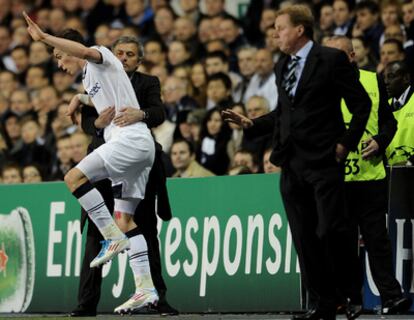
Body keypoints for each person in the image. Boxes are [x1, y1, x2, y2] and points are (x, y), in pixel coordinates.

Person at [223, 5, 371, 320]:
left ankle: (351, 294)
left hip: (323, 160)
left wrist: (346, 143)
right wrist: (252, 123)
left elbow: (362, 104)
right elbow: (285, 114)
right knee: (304, 236)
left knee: (331, 229)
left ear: (300, 29)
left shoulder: (330, 60)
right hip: (291, 163)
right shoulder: (282, 66)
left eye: (280, 27)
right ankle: (323, 303)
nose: (275, 33)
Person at [23, 13, 158, 313]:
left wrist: (44, 37)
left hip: (128, 141)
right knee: (125, 220)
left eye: (60, 56)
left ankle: (111, 239)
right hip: (138, 149)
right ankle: (145, 289)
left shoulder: (102, 56)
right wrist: (78, 99)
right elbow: (101, 96)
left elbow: (85, 53)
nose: (59, 63)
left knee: (73, 178)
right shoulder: (90, 78)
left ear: (70, 48)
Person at [70, 36, 177, 317]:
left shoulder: (147, 82)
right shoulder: (96, 75)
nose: (125, 57)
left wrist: (139, 114)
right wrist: (97, 122)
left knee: (142, 227)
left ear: (139, 60)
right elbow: (86, 121)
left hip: (134, 155)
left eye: (131, 54)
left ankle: (156, 299)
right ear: (113, 55)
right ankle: (86, 303)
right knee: (96, 232)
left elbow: (159, 113)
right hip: (104, 157)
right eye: (120, 52)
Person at [326, 35, 412, 316]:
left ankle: (392, 297)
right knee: (343, 243)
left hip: (370, 177)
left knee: (377, 240)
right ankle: (352, 299)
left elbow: (389, 123)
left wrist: (380, 140)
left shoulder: (374, 81)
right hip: (337, 180)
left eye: (336, 55)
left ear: (351, 56)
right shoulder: (319, 87)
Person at [384, 61, 414, 165]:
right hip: (391, 172)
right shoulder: (384, 106)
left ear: (406, 78)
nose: (386, 82)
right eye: (385, 77)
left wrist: (410, 162)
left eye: (391, 76)